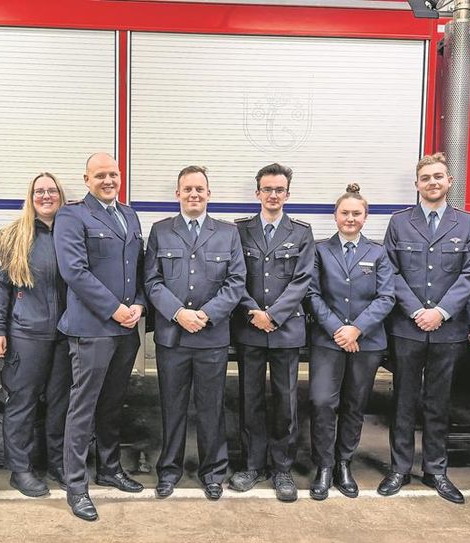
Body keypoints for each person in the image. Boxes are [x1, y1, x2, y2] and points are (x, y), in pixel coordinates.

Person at [379, 152, 470, 504]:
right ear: (417, 184)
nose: (433, 183)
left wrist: (440, 312)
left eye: (438, 176)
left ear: (449, 181)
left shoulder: (466, 224)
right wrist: (416, 310)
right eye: (426, 178)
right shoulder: (399, 222)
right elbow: (390, 271)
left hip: (447, 328)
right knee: (403, 400)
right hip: (407, 327)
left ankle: (436, 470)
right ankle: (399, 469)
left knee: (439, 401)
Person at [145, 165, 246, 501]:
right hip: (172, 337)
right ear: (177, 193)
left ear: (208, 194)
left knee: (211, 408)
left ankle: (213, 473)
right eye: (187, 189)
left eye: (199, 189)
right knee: (171, 407)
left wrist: (205, 314)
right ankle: (168, 471)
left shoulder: (228, 233)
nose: (193, 194)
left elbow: (236, 282)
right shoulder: (161, 231)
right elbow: (152, 281)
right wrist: (179, 313)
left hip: (210, 337)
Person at [54, 153, 146, 521]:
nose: (108, 180)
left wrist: (138, 304)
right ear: (86, 180)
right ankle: (76, 487)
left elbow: (139, 267)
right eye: (100, 175)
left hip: (126, 329)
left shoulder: (129, 214)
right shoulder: (71, 216)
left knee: (112, 403)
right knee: (83, 407)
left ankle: (109, 468)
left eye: (114, 174)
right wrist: (114, 309)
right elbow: (74, 271)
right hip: (92, 328)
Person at [229, 163, 313, 502]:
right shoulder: (240, 231)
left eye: (279, 190)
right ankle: (251, 466)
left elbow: (302, 280)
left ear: (287, 194)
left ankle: (282, 469)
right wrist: (254, 313)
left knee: (285, 402)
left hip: (285, 329)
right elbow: (234, 276)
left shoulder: (301, 232)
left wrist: (273, 316)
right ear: (257, 193)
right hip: (250, 327)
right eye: (268, 189)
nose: (273, 195)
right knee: (249, 400)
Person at [305, 184, 395, 500]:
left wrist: (356, 329)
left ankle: (344, 463)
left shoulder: (378, 253)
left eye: (357, 213)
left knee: (354, 405)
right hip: (328, 341)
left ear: (365, 217)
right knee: (322, 402)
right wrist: (338, 330)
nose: (351, 218)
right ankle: (324, 465)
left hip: (366, 343)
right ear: (335, 215)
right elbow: (312, 294)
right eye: (345, 212)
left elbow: (386, 297)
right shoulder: (319, 251)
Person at [0, 173, 70, 497]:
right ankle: (20, 470)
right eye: (39, 191)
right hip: (27, 334)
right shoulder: (13, 236)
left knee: (61, 403)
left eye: (52, 191)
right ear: (30, 197)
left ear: (60, 196)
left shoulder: (71, 233)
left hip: (65, 333)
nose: (46, 196)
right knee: (22, 402)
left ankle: (58, 464)